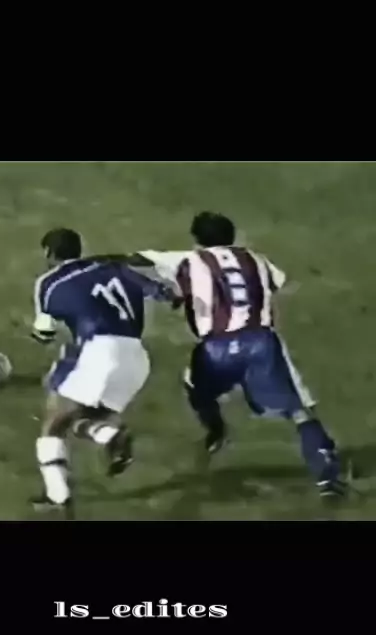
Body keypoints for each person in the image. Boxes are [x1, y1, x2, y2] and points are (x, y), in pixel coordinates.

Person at [134, 212, 346, 498]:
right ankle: (327, 478)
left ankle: (216, 430)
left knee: (196, 388)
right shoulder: (256, 259)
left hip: (215, 347)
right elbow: (278, 281)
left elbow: (139, 259)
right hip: (261, 342)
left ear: (197, 240)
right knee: (300, 411)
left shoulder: (187, 259)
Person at [31, 228, 176, 512]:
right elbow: (158, 291)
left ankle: (58, 496)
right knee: (82, 419)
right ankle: (109, 436)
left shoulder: (50, 282)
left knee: (53, 423)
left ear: (49, 253)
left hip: (100, 352)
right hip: (136, 358)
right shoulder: (114, 268)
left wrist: (43, 333)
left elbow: (44, 332)